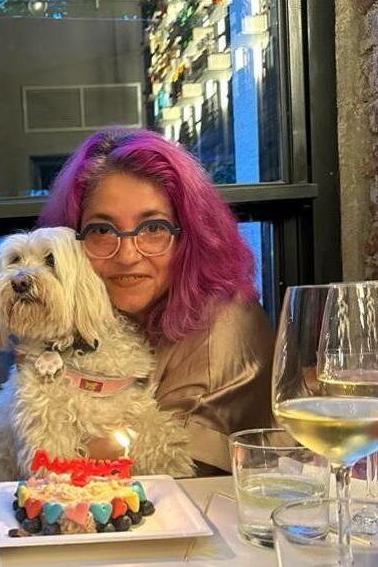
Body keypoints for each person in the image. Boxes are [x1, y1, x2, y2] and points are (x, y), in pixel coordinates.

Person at [39, 127, 275, 476]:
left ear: (191, 238)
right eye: (102, 231)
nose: (127, 256)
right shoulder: (76, 320)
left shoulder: (226, 322)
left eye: (153, 229)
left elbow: (169, 478)